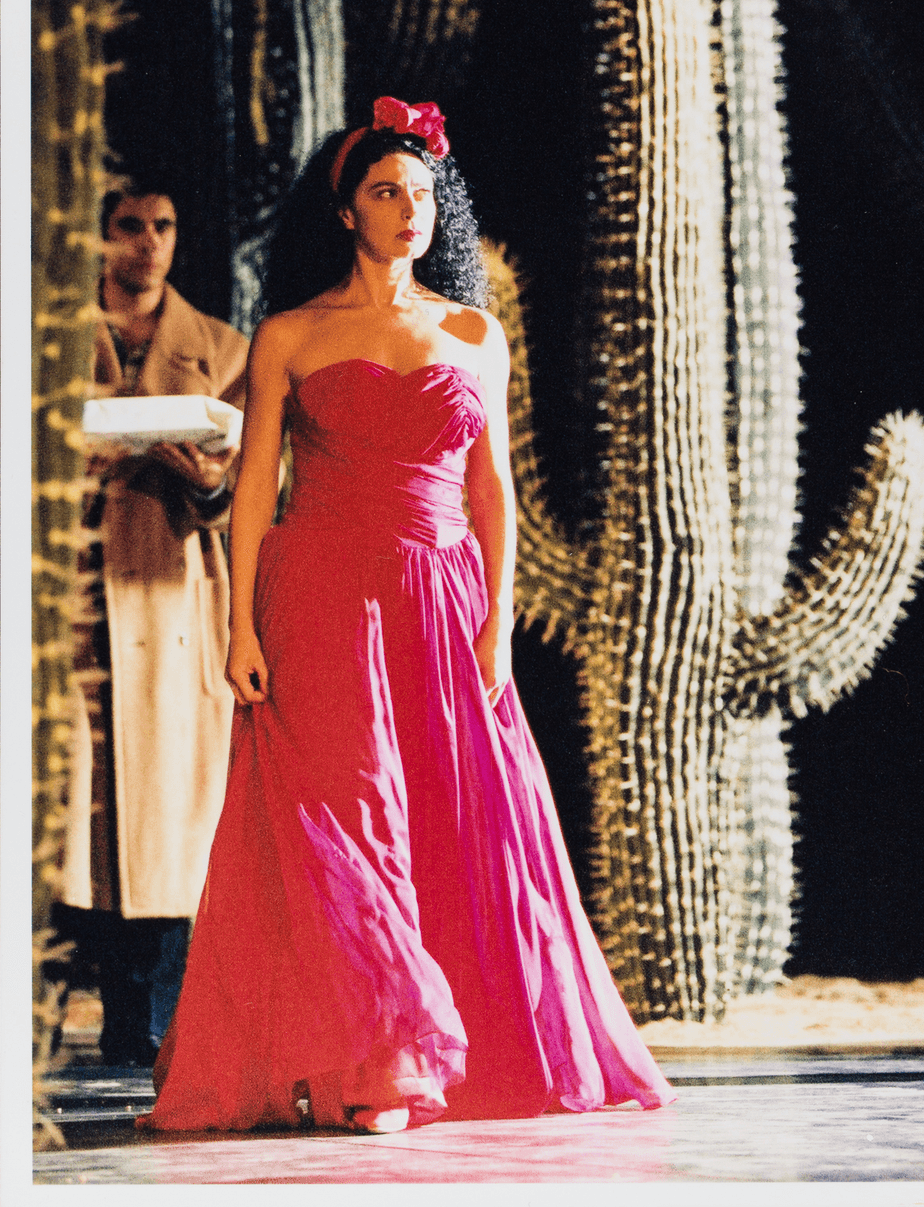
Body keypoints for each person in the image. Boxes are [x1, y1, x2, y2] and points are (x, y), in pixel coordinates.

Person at [141, 99, 674, 1133]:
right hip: (322, 593)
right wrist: (241, 626)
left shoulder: (475, 333)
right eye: (386, 192)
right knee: (343, 820)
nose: (408, 209)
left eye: (424, 194)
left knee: (450, 814)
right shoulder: (291, 333)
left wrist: (500, 621)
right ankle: (384, 1068)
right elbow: (255, 490)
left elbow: (494, 494)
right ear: (346, 212)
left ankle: (426, 1053)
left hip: (440, 596)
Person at [50, 189, 248, 1065]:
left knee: (168, 815)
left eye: (165, 225)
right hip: (72, 600)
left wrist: (202, 478)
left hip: (170, 594)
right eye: (130, 225)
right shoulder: (46, 338)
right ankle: (55, 1012)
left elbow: (252, 482)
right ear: (96, 234)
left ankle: (148, 1024)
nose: (149, 244)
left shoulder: (221, 349)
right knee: (75, 818)